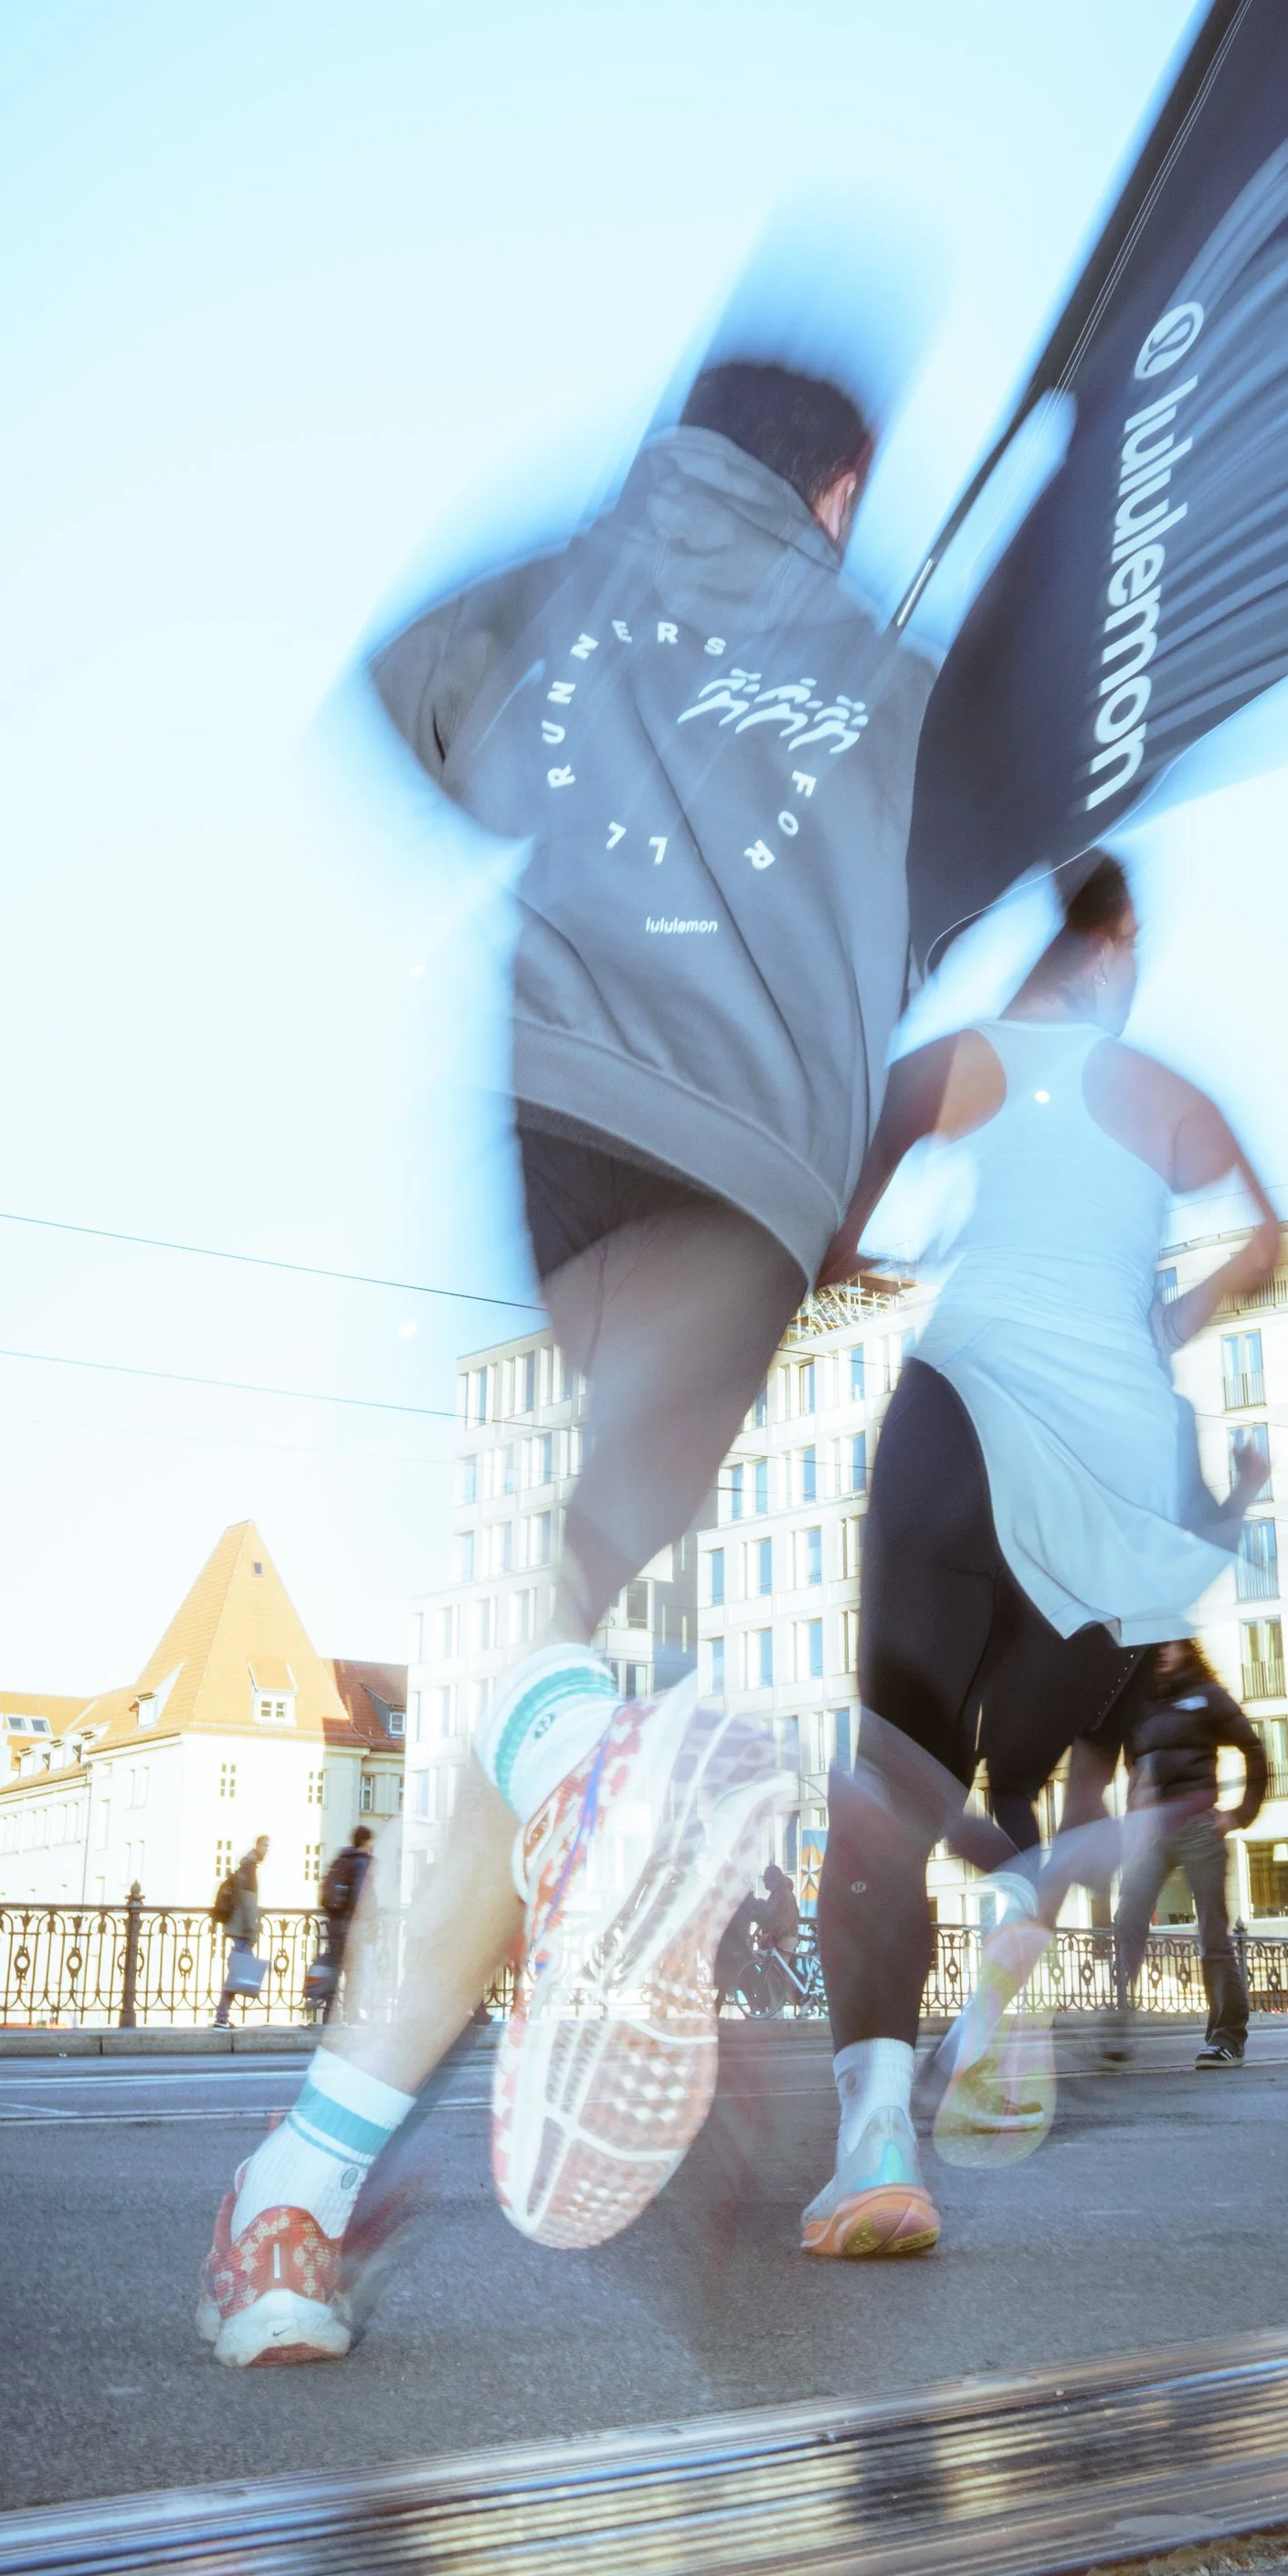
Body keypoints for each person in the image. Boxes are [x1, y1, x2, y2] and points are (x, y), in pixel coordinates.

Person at [197, 300, 937, 2365]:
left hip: (574, 1098)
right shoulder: (885, 658)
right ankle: (577, 1762)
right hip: (761, 1161)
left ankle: (295, 2190)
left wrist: (544, 772)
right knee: (586, 1574)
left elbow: (398, 695)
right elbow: (917, 954)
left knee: (560, 1583)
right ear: (843, 486)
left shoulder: (578, 571)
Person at [799, 850, 1282, 2256]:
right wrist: (1157, 1329)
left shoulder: (976, 1058)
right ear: (1119, 947)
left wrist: (850, 1253)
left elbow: (860, 1160)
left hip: (971, 1409)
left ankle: (877, 2142)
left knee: (890, 1781)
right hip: (1121, 1480)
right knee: (1033, 1781)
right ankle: (1017, 1898)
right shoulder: (1171, 1096)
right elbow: (1265, 1240)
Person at [1109, 1641, 1267, 2065]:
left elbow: (1254, 1748)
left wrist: (1240, 1815)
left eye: (1170, 1643)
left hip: (1199, 1825)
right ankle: (1119, 2025)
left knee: (1212, 1934)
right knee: (1127, 1922)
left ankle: (1226, 2037)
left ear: (1187, 1646)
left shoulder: (1206, 1695)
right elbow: (1135, 1767)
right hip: (1152, 1832)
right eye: (1153, 1645)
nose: (1161, 1652)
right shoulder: (1136, 1705)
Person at [310, 1826, 374, 2019]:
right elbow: (358, 1896)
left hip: (334, 1921)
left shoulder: (342, 1859)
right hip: (350, 1924)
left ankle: (329, 2012)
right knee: (355, 1970)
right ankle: (351, 2012)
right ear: (365, 1842)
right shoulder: (361, 1862)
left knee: (335, 1966)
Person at [212, 1841, 267, 2028]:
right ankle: (221, 2017)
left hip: (236, 1928)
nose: (267, 1850)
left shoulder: (245, 1867)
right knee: (238, 1975)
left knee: (238, 1974)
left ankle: (222, 2016)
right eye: (265, 1845)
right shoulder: (249, 1870)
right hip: (242, 1930)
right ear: (257, 1846)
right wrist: (253, 1932)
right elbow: (248, 1904)